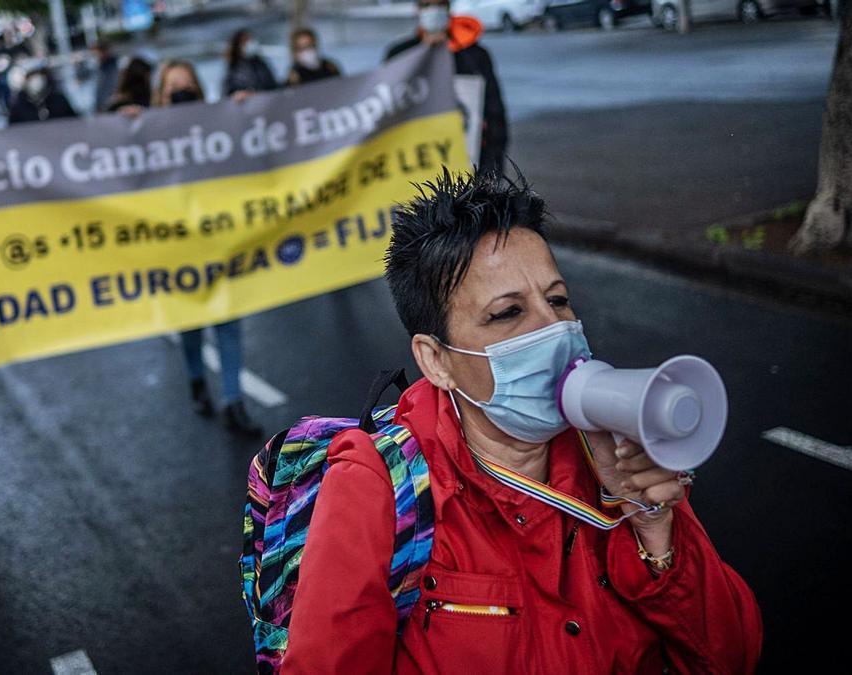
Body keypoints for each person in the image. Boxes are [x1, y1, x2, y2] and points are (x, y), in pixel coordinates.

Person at [282, 170, 762, 672]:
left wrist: (654, 528)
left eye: (556, 300)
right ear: (436, 361)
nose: (554, 328)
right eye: (508, 313)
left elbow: (729, 657)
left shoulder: (616, 458)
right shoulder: (378, 487)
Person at [148, 61, 262, 436]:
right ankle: (197, 378)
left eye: (187, 87)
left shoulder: (216, 124)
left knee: (228, 320)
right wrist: (125, 121)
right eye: (173, 89)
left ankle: (233, 402)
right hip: (176, 244)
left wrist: (245, 110)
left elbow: (248, 145)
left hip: (217, 238)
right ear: (160, 96)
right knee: (191, 324)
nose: (181, 94)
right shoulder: (147, 133)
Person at [386, 0, 508, 172]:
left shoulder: (474, 55)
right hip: (415, 165)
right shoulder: (399, 55)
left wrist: (494, 163)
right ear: (417, 10)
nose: (433, 11)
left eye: (439, 5)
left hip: (469, 159)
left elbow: (495, 111)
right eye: (426, 5)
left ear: (449, 8)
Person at [8, 67, 76, 124]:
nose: (37, 80)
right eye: (32, 76)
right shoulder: (18, 107)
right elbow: (13, 132)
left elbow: (74, 122)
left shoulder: (59, 100)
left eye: (40, 75)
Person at [223, 29, 277, 96]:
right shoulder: (234, 69)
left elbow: (273, 85)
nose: (250, 43)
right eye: (246, 41)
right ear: (238, 46)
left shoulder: (261, 64)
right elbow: (228, 93)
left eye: (251, 40)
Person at [92, 41, 120, 113]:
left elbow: (112, 85)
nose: (95, 57)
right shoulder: (101, 67)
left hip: (112, 105)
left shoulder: (114, 66)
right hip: (104, 105)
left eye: (97, 54)